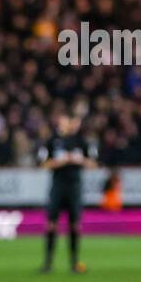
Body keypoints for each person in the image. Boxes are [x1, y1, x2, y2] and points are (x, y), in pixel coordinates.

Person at [37, 109, 97, 273]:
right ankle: (48, 264)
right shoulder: (52, 141)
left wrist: (80, 160)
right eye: (64, 121)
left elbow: (93, 165)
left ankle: (75, 263)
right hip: (57, 186)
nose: (67, 124)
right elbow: (43, 164)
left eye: (69, 121)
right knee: (51, 224)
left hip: (74, 187)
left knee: (75, 225)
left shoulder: (82, 141)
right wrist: (61, 161)